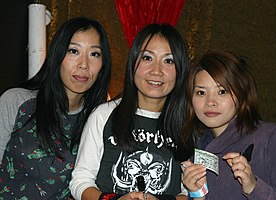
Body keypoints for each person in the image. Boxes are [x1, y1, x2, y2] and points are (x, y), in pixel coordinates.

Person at [70, 23, 194, 200]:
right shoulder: (104, 114)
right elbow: (80, 181)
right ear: (133, 62)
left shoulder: (187, 124)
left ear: (180, 69)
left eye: (168, 61)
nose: (156, 71)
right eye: (147, 58)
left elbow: (188, 191)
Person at [0, 17, 111, 199]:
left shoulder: (99, 119)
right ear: (57, 55)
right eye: (73, 51)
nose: (84, 64)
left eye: (94, 54)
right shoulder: (17, 101)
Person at [181, 49, 276, 200]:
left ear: (241, 93)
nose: (210, 102)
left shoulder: (270, 139)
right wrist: (197, 195)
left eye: (222, 91)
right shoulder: (198, 151)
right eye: (201, 93)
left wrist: (253, 188)